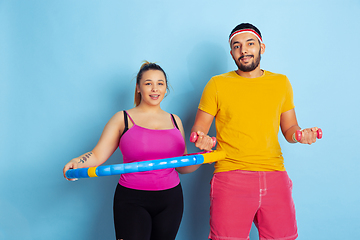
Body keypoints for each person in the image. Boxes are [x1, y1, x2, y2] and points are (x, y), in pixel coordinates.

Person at [191, 23, 321, 240]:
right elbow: (199, 128)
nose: (244, 50)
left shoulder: (281, 83)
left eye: (250, 44)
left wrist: (300, 135)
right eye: (237, 46)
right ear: (231, 52)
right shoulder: (217, 84)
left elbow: (289, 128)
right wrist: (201, 139)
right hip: (231, 176)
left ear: (262, 47)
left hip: (275, 176)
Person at [63, 62, 197, 240]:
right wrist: (77, 163)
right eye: (148, 83)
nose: (155, 88)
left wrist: (204, 157)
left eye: (160, 83)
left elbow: (182, 165)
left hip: (171, 200)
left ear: (166, 88)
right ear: (138, 87)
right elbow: (97, 155)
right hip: (132, 200)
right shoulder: (123, 119)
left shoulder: (175, 120)